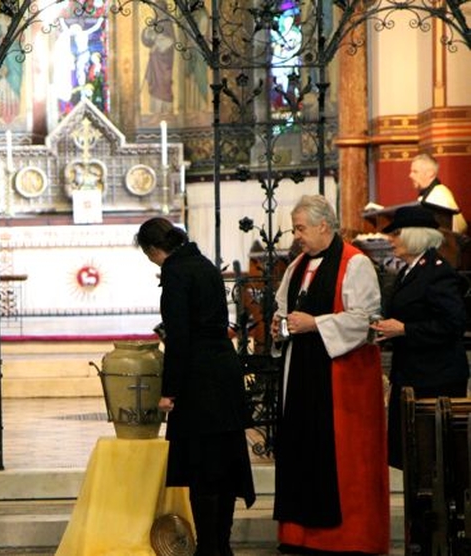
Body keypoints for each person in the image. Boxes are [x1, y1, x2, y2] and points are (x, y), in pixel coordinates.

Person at [270, 194, 389, 554]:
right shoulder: (295, 267)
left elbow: (365, 319)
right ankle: (299, 536)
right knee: (300, 454)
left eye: (301, 228)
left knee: (341, 461)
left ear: (324, 225)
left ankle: (347, 539)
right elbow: (282, 309)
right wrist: (282, 328)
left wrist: (314, 323)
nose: (297, 236)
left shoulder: (355, 263)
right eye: (295, 229)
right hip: (301, 374)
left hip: (340, 381)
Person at [135, 217, 255, 556]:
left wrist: (169, 390)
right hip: (224, 372)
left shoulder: (175, 271)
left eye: (149, 256)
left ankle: (208, 548)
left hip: (199, 380)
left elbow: (180, 337)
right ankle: (222, 545)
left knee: (203, 470)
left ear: (155, 250)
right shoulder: (203, 264)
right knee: (225, 467)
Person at [371, 205, 470, 469]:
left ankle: (434, 508)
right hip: (413, 374)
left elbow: (454, 324)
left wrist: (404, 329)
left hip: (435, 379)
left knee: (432, 457)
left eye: (397, 233)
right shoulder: (409, 270)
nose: (391, 239)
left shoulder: (437, 272)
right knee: (413, 456)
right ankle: (420, 508)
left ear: (415, 235)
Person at [410, 152, 467, 234]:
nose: (410, 175)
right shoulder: (433, 192)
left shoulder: (438, 195)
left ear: (430, 173)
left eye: (415, 172)